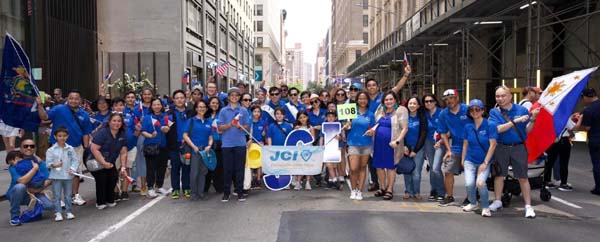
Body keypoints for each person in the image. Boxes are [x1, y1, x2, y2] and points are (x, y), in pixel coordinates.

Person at [36, 90, 91, 206]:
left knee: (75, 172)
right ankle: (58, 198)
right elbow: (44, 117)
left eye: (76, 98)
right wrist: (39, 105)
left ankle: (74, 195)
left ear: (80, 100)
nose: (73, 100)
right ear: (67, 99)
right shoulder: (59, 109)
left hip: (76, 147)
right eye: (71, 98)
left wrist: (86, 149)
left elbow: (86, 133)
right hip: (57, 147)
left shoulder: (84, 114)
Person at [488, 85, 536, 218]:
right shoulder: (494, 112)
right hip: (501, 146)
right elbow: (496, 129)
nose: (500, 98)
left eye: (503, 96)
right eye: (498, 96)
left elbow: (527, 130)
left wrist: (533, 119)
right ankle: (497, 201)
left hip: (518, 147)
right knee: (499, 175)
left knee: (522, 177)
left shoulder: (521, 109)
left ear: (510, 96)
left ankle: (528, 206)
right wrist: (514, 121)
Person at [460, 99, 497, 217]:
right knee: (469, 184)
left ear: (482, 110)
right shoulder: (468, 126)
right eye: (472, 109)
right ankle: (473, 202)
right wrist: (463, 159)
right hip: (470, 159)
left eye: (477, 109)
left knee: (480, 183)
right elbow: (465, 144)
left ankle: (485, 206)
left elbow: (493, 145)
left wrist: (485, 162)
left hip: (484, 160)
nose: (474, 112)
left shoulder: (490, 125)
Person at [437, 89, 472, 205]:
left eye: (451, 98)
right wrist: (448, 149)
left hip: (471, 145)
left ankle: (470, 197)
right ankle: (449, 196)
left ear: (457, 98)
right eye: (446, 99)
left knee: (470, 172)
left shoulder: (467, 110)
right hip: (456, 145)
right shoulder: (444, 114)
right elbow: (442, 132)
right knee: (448, 171)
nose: (449, 101)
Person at [372, 91, 408, 200]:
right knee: (379, 166)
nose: (388, 102)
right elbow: (376, 124)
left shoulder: (401, 110)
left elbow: (405, 128)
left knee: (390, 167)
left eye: (391, 99)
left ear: (395, 100)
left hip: (392, 145)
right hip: (378, 143)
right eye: (386, 100)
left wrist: (397, 141)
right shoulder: (380, 110)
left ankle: (390, 189)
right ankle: (382, 187)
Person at [217, 87, 250, 202]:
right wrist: (230, 124)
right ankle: (226, 193)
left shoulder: (244, 111)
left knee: (239, 169)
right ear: (228, 97)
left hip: (240, 143)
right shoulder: (223, 111)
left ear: (239, 97)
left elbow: (247, 126)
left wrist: (240, 126)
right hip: (227, 144)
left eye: (237, 95)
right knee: (227, 169)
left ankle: (239, 192)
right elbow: (219, 127)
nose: (234, 97)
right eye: (232, 95)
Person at [6, 146, 53, 226]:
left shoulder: (38, 163)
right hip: (18, 193)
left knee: (49, 206)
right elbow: (22, 181)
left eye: (32, 147)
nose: (29, 149)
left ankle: (35, 206)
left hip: (35, 189)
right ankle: (15, 216)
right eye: (25, 147)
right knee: (20, 186)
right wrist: (34, 169)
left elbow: (49, 179)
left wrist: (37, 190)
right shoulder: (13, 167)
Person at [89, 113, 128, 209]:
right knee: (102, 178)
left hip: (110, 160)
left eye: (119, 121)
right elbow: (94, 149)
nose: (116, 123)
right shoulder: (102, 133)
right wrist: (103, 163)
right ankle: (100, 202)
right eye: (114, 120)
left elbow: (123, 152)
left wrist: (123, 167)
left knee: (113, 177)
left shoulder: (122, 135)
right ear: (109, 122)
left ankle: (110, 199)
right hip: (94, 159)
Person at [346, 91, 375, 200]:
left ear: (367, 101)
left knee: (363, 167)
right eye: (360, 99)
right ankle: (353, 189)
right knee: (353, 168)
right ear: (357, 100)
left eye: (365, 99)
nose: (362, 101)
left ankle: (360, 191)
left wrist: (372, 132)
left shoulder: (371, 114)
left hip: (366, 144)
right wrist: (347, 125)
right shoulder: (351, 111)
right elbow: (346, 126)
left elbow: (373, 128)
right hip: (353, 143)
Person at [183, 100, 214, 200]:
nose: (202, 109)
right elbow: (185, 135)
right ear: (196, 109)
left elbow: (210, 136)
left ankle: (201, 193)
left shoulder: (208, 121)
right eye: (199, 107)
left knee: (203, 172)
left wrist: (209, 145)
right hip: (195, 151)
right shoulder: (191, 121)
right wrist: (193, 147)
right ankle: (193, 193)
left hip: (205, 151)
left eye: (203, 107)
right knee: (194, 172)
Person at [46, 127, 79, 221]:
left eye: (64, 136)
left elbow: (75, 160)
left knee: (68, 195)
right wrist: (53, 165)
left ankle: (68, 211)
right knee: (57, 195)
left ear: (67, 136)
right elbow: (47, 163)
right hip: (56, 176)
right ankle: (58, 212)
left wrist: (73, 169)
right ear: (55, 137)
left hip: (68, 176)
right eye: (59, 136)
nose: (62, 138)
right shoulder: (51, 150)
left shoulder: (70, 148)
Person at [141, 98, 171, 198]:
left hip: (163, 146)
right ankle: (150, 188)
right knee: (151, 168)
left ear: (161, 106)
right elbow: (143, 131)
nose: (157, 106)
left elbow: (168, 129)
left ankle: (159, 186)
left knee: (162, 167)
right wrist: (150, 135)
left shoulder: (165, 117)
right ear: (151, 106)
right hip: (151, 146)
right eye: (154, 105)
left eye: (159, 104)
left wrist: (166, 129)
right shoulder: (147, 118)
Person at [112, 98, 140, 201]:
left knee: (125, 169)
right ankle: (115, 191)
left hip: (129, 147)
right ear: (113, 107)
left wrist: (138, 130)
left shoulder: (130, 117)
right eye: (116, 105)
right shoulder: (109, 118)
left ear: (124, 106)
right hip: (114, 149)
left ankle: (124, 191)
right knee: (114, 170)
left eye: (121, 105)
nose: (118, 107)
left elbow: (135, 132)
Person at [575, 88, 600, 196]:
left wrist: (580, 121)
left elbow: (587, 128)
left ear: (586, 97)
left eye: (582, 98)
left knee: (597, 163)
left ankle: (598, 188)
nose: (582, 100)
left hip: (596, 139)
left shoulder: (588, 110)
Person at [167, 90, 192, 199]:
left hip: (187, 144)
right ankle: (175, 189)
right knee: (175, 167)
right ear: (174, 100)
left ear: (185, 98)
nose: (179, 100)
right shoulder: (169, 113)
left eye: (182, 97)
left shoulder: (191, 112)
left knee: (187, 166)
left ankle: (186, 187)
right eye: (177, 98)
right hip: (174, 144)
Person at [403, 97, 428, 200]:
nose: (412, 105)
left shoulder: (421, 117)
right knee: (407, 170)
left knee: (416, 172)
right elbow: (401, 132)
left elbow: (423, 134)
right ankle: (408, 191)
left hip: (418, 148)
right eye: (410, 103)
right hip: (406, 148)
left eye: (414, 103)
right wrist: (404, 146)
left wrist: (415, 150)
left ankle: (416, 192)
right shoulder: (404, 117)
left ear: (418, 106)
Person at [422, 94, 446, 201]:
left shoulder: (442, 113)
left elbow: (448, 130)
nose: (428, 103)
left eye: (431, 101)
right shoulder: (424, 114)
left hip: (440, 142)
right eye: (426, 102)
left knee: (436, 167)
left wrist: (440, 141)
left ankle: (441, 191)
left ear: (435, 101)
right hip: (428, 141)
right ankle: (434, 190)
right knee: (432, 167)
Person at [544, 118, 575, 191]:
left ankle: (546, 181)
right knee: (564, 162)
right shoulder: (566, 117)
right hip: (563, 140)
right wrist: (580, 119)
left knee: (550, 162)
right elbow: (573, 127)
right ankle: (563, 183)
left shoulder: (551, 116)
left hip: (552, 140)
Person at [205, 97, 225, 194]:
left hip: (219, 143)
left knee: (218, 166)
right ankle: (205, 187)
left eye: (217, 103)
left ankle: (219, 186)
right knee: (207, 166)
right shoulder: (205, 116)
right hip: (207, 144)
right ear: (209, 104)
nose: (215, 105)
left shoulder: (222, 115)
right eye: (213, 103)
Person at [248, 105, 267, 189]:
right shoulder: (249, 122)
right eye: (255, 111)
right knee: (251, 162)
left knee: (259, 163)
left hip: (259, 144)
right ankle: (252, 179)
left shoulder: (263, 122)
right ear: (252, 112)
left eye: (258, 112)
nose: (256, 113)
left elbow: (264, 133)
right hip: (251, 144)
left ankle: (258, 179)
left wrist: (264, 134)